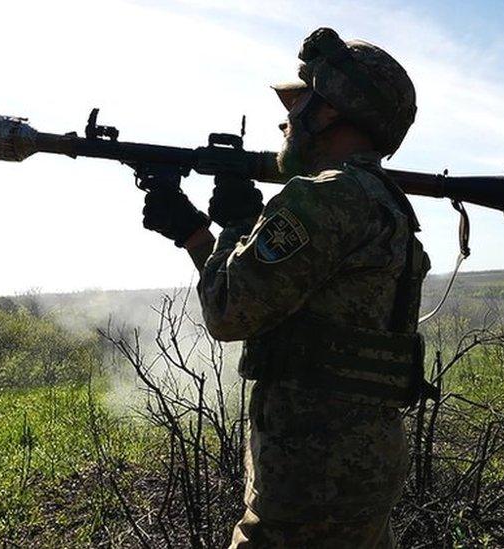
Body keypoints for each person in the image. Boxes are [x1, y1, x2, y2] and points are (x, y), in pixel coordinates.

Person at [140, 27, 433, 548]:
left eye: (301, 102)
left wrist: (221, 228)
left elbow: (230, 311)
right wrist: (205, 231)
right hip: (360, 462)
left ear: (330, 113)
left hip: (312, 475)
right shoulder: (382, 200)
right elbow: (288, 299)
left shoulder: (326, 197)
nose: (288, 118)